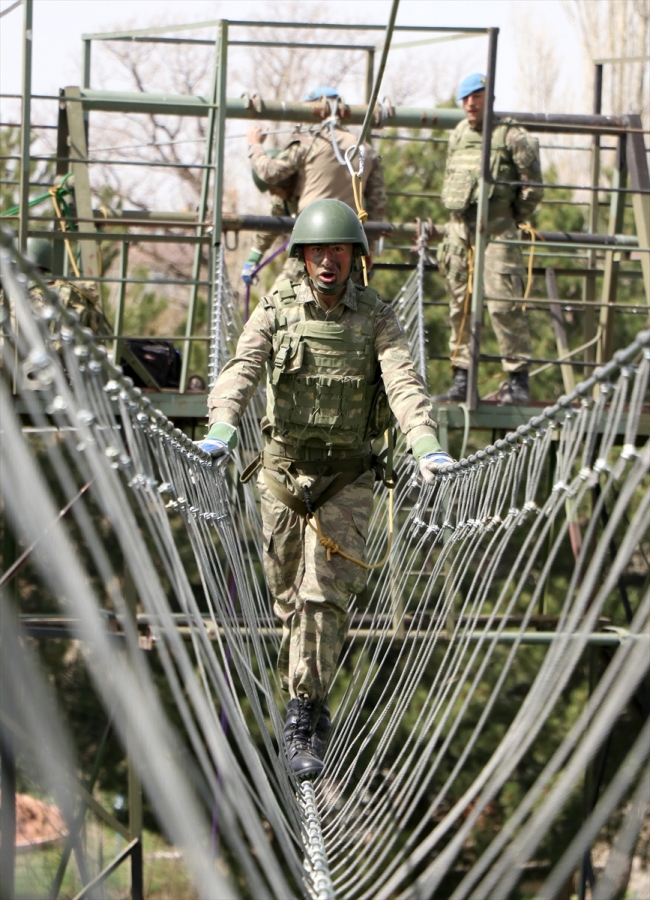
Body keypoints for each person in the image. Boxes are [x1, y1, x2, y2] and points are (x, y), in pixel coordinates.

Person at [201, 199, 452, 777]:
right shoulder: (277, 309)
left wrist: (423, 443)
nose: (328, 261)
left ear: (354, 258)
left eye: (338, 250)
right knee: (288, 598)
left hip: (348, 477)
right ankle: (312, 696)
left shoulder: (378, 317)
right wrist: (221, 426)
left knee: (322, 595)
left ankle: (302, 717)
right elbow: (243, 367)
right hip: (282, 477)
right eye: (318, 250)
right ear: (304, 257)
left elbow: (402, 380)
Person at [434, 73, 544, 406]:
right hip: (459, 231)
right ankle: (462, 379)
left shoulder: (511, 136)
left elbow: (533, 187)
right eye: (465, 98)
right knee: (459, 307)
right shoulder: (458, 134)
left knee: (503, 305)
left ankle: (517, 379)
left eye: (477, 96)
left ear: (488, 98)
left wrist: (511, 218)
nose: (470, 103)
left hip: (496, 231)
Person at [241, 86, 386, 287]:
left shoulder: (309, 144)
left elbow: (269, 173)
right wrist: (367, 249)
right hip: (348, 246)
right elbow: (378, 205)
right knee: (348, 307)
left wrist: (254, 145)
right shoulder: (366, 151)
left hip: (312, 240)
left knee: (277, 305)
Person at [241, 147, 303, 289]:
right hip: (300, 257)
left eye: (275, 189)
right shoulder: (282, 199)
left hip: (317, 253)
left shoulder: (307, 189)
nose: (274, 194)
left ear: (286, 181)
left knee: (278, 299)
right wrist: (253, 259)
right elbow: (271, 226)